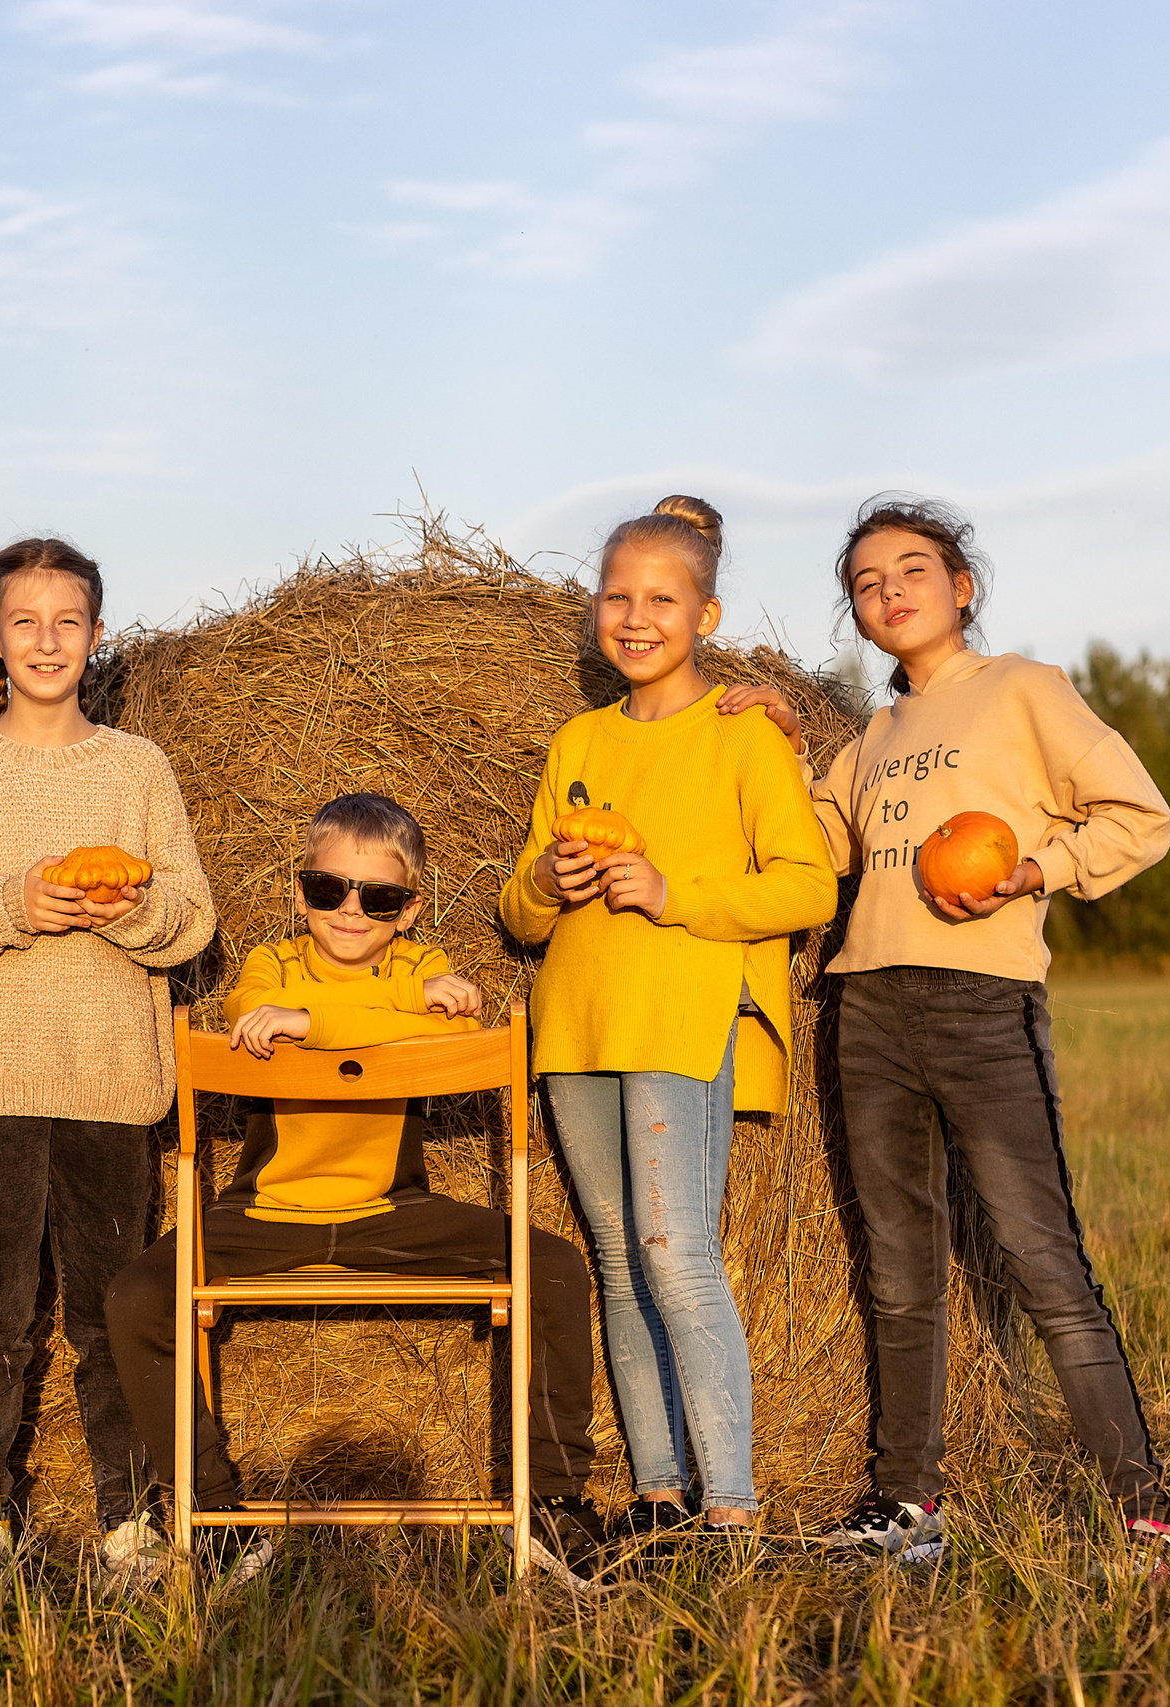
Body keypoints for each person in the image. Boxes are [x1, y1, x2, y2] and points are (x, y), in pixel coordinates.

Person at [716, 493, 1170, 1576]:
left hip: (981, 1001)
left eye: (910, 570)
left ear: (960, 587)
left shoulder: (1023, 690)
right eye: (867, 584)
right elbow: (812, 846)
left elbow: (1136, 815)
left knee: (1041, 1261)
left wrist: (1037, 869)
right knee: (897, 1269)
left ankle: (1140, 1515)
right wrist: (779, 744)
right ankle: (906, 1505)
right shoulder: (872, 736)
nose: (889, 591)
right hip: (866, 1007)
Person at [104, 793, 610, 1592]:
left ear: (408, 909)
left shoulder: (420, 966)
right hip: (265, 1212)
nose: (349, 910)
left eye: (377, 897)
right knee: (137, 1296)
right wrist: (385, 1019)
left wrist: (315, 1022)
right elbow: (243, 1018)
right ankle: (214, 1514)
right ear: (298, 890)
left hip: (393, 1210)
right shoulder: (270, 967)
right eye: (328, 888)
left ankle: (552, 1503)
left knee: (554, 1268)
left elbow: (464, 1038)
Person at [497, 496, 839, 1559]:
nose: (633, 618)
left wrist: (670, 889)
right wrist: (547, 882)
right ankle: (655, 1492)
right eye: (615, 597)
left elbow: (807, 886)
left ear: (705, 612)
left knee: (674, 1251)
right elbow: (515, 912)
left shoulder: (738, 737)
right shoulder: (578, 740)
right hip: (575, 1029)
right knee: (614, 1258)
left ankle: (729, 1500)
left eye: (660, 598)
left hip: (681, 1017)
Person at [0, 537, 216, 1593]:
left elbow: (191, 924)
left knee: (107, 1315)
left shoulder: (135, 769)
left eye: (66, 621)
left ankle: (130, 1526)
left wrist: (129, 913)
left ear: (97, 636)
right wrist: (13, 905)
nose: (45, 640)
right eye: (23, 621)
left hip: (110, 1083)